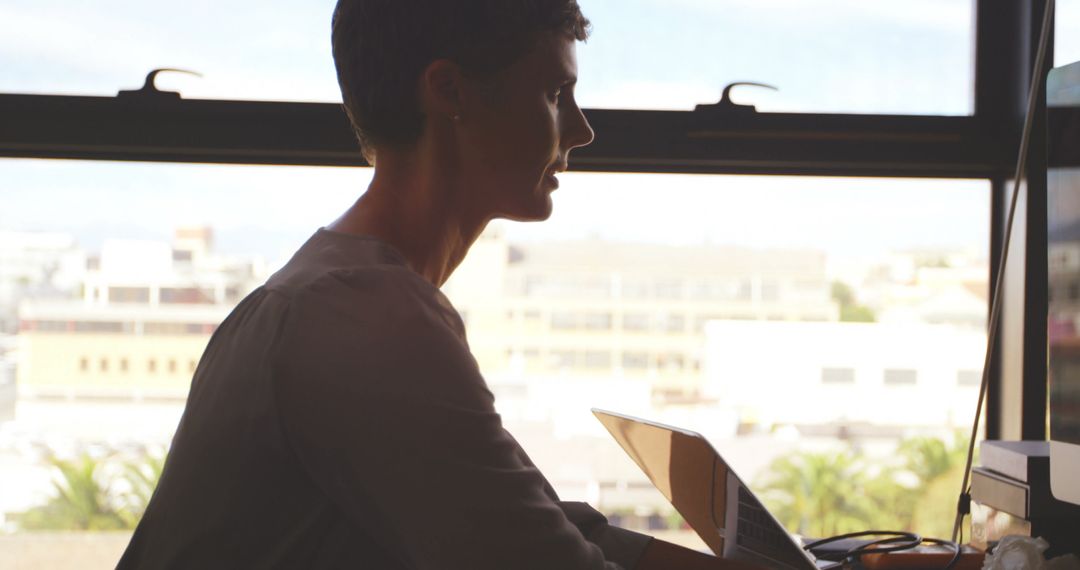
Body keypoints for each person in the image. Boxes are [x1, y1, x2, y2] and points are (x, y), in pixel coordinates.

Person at [118, 1, 759, 568]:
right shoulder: (367, 316)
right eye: (555, 95)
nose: (582, 131)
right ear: (450, 90)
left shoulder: (327, 289)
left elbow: (525, 518)